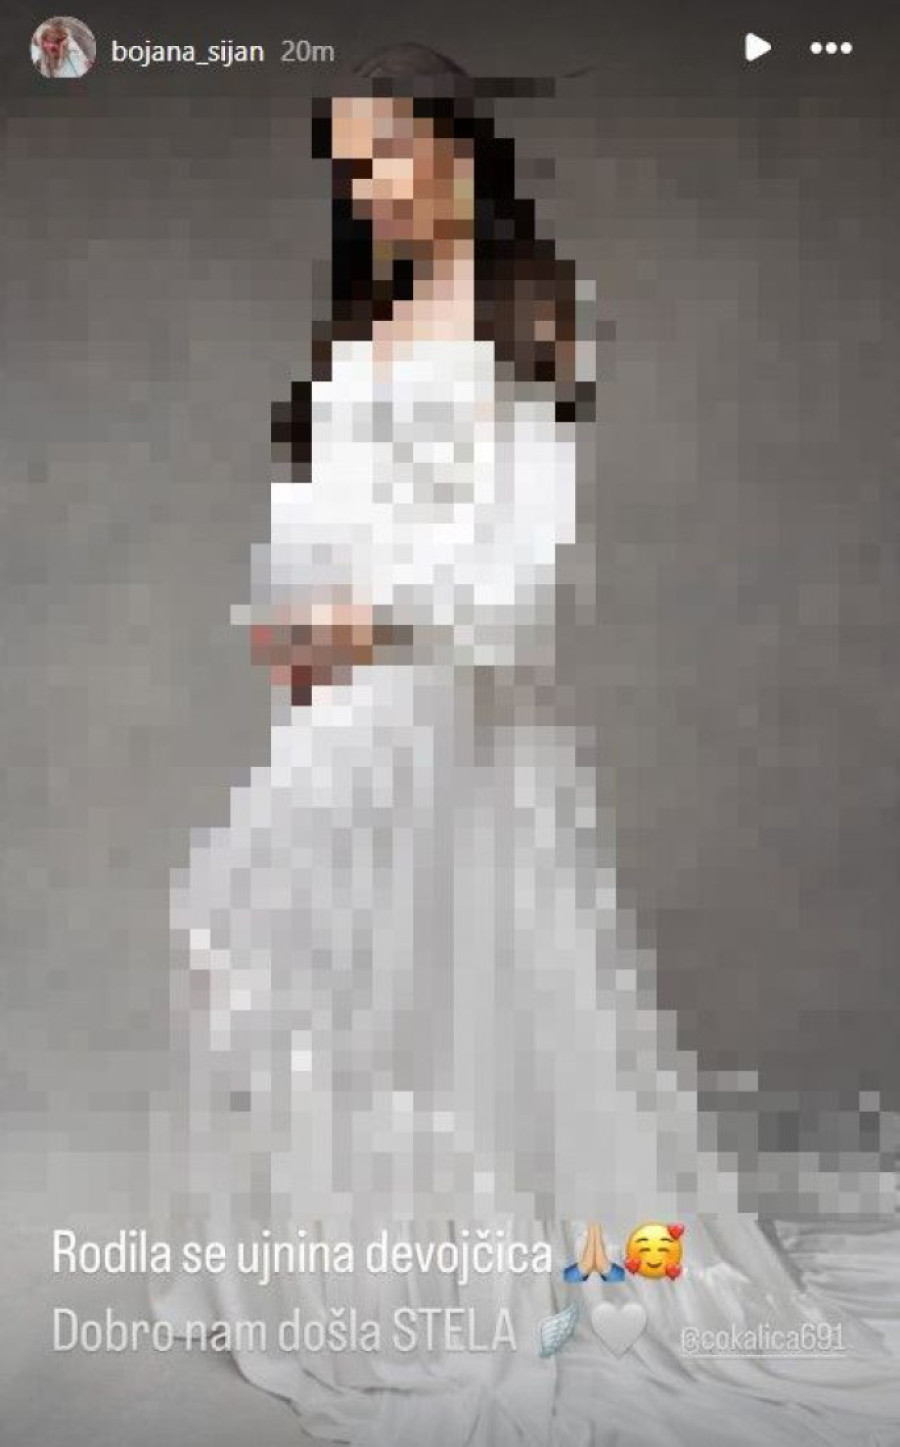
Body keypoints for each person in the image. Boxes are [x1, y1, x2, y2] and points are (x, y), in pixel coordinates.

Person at [151, 44, 900, 1446]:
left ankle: (458, 1270)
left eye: (388, 151)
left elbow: (531, 556)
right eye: (348, 169)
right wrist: (289, 615)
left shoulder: (528, 312)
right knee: (283, 949)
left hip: (446, 694)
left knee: (370, 972)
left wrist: (378, 617)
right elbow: (323, 504)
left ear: (458, 145)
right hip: (351, 688)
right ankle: (346, 1262)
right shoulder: (364, 321)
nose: (369, 187)